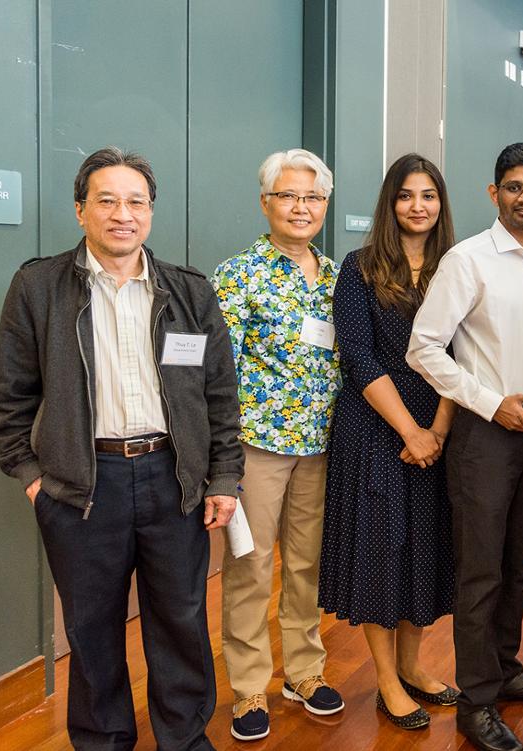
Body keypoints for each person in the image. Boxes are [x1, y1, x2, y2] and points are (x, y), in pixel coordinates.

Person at [0, 147, 244, 749]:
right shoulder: (37, 288)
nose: (122, 214)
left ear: (151, 212)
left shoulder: (189, 292)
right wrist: (34, 480)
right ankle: (103, 742)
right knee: (91, 631)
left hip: (173, 480)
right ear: (80, 210)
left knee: (181, 622)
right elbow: (9, 400)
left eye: (136, 202)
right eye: (106, 200)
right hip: (82, 486)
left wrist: (223, 477)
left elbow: (219, 394)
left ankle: (184, 740)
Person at [407, 142, 523, 751]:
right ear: (494, 192)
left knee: (519, 564)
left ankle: (505, 670)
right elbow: (423, 347)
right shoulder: (467, 259)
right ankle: (477, 701)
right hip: (484, 436)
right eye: (514, 187)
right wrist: (489, 401)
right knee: (480, 570)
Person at [317, 153, 459, 730]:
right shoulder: (360, 268)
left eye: (428, 195)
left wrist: (438, 431)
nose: (417, 206)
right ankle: (386, 682)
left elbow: (464, 356)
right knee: (381, 551)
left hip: (439, 424)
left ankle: (412, 665)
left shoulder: (456, 265)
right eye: (405, 195)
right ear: (389, 203)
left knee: (424, 547)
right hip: (377, 426)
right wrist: (410, 430)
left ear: (441, 203)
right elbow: (357, 355)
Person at [212, 148, 343, 741]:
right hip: (256, 446)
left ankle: (304, 672)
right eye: (288, 195)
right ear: (265, 202)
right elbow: (217, 372)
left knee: (307, 563)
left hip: (321, 445)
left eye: (312, 197)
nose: (301, 207)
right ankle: (247, 688)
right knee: (250, 566)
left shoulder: (337, 276)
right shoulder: (238, 274)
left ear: (325, 204)